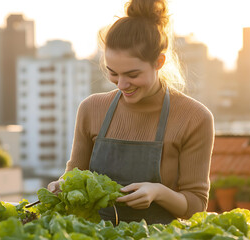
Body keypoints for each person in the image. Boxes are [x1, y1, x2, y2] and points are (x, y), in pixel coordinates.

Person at [48, 0, 214, 225]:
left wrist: (158, 192)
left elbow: (195, 205)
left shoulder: (194, 117)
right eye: (113, 73)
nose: (121, 84)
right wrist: (62, 186)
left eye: (132, 74)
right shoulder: (91, 108)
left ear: (159, 62)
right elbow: (74, 175)